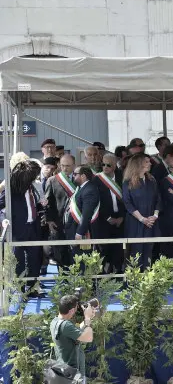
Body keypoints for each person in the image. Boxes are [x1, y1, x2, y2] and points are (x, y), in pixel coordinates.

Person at [0, 160, 43, 295]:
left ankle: (32, 287)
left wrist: (41, 204)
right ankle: (19, 289)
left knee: (35, 260)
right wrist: (3, 220)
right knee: (18, 262)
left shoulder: (32, 187)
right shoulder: (12, 189)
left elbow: (32, 206)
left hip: (33, 227)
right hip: (17, 230)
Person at [122, 153, 162, 270]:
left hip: (150, 222)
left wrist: (154, 216)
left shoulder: (151, 180)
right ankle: (134, 283)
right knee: (135, 253)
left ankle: (147, 282)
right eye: (146, 161)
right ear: (138, 164)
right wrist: (142, 219)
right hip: (135, 223)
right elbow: (127, 203)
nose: (150, 163)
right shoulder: (128, 182)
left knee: (148, 251)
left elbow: (158, 199)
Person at [92, 153, 125, 273]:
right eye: (103, 164)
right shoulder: (96, 179)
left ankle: (118, 277)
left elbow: (128, 199)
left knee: (118, 250)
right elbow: (95, 202)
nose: (105, 167)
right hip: (103, 220)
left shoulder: (123, 177)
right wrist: (107, 218)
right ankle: (102, 278)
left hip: (120, 219)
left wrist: (122, 217)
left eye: (108, 165)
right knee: (103, 250)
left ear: (115, 166)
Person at [50, 294, 95, 379]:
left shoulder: (55, 322)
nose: (75, 312)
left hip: (65, 370)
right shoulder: (66, 325)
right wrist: (88, 318)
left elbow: (76, 332)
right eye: (75, 309)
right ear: (71, 310)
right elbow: (88, 338)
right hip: (73, 374)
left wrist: (87, 320)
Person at [64, 166, 100, 263]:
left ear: (83, 176)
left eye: (75, 174)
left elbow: (86, 214)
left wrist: (79, 233)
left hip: (82, 233)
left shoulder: (89, 190)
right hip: (73, 229)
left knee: (81, 262)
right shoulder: (81, 188)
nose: (73, 176)